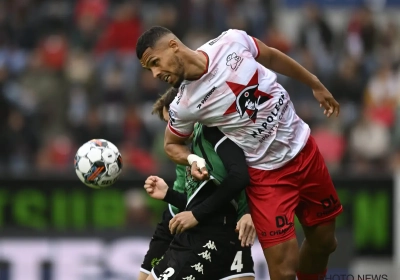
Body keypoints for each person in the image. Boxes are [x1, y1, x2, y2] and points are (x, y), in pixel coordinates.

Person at [136, 26, 343, 280]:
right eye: (150, 70)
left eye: (155, 63)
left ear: (173, 46)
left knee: (325, 243)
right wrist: (192, 158)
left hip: (305, 151)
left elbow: (270, 56)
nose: (156, 73)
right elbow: (170, 144)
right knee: (284, 272)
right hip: (267, 176)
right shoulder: (183, 105)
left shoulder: (230, 41)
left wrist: (314, 83)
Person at [139, 87, 256, 280]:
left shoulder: (214, 131)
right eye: (168, 125)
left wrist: (250, 212)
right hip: (228, 232)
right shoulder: (186, 155)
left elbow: (242, 176)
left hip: (213, 232)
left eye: (174, 122)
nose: (172, 131)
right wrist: (168, 194)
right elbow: (197, 201)